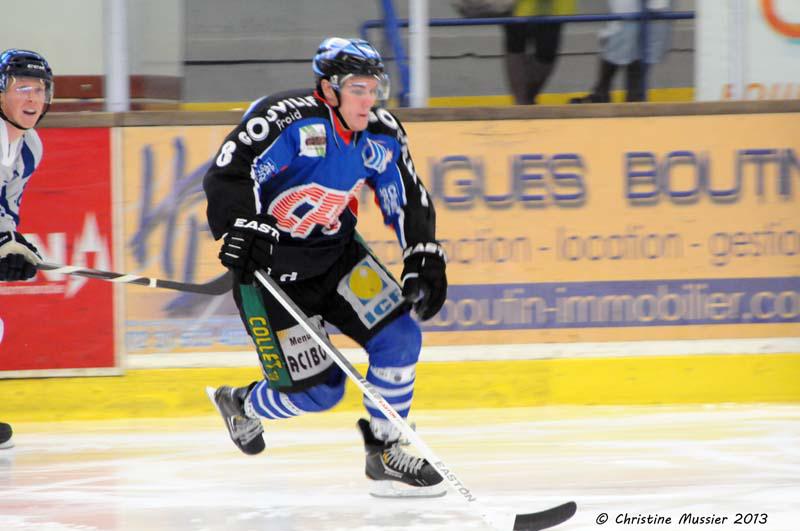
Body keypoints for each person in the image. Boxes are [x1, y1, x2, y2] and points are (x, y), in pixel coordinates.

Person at [203, 37, 448, 498]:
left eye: (374, 87)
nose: (369, 99)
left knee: (400, 337)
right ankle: (242, 403)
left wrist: (422, 251)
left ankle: (387, 451)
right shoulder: (287, 119)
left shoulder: (381, 132)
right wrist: (242, 227)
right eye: (358, 88)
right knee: (321, 393)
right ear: (328, 89)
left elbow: (407, 195)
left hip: (336, 257)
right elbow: (231, 172)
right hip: (271, 276)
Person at [0, 49, 54, 451]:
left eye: (39, 89)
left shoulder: (30, 146)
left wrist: (11, 242)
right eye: (23, 89)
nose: (33, 99)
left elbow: (6, 208)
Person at [570, 0, 673, 103]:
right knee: (618, 42)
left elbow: (656, 7)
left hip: (643, 15)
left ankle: (628, 98)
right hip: (632, 15)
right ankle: (604, 94)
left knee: (633, 50)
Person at [503, 0, 575, 104]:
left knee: (547, 53)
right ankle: (521, 101)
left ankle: (527, 97)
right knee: (516, 44)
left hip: (553, 8)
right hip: (517, 6)